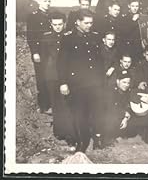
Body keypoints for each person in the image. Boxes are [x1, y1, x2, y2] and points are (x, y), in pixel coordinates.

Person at [57, 9, 105, 152]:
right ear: (77, 22)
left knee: (97, 112)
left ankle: (97, 138)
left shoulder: (95, 36)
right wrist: (63, 82)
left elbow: (99, 61)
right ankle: (82, 141)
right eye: (86, 23)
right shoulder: (68, 38)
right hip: (77, 84)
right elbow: (61, 63)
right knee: (79, 114)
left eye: (91, 23)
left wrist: (101, 80)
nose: (89, 25)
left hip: (95, 83)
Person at [40, 11, 76, 145]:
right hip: (52, 76)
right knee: (56, 105)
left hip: (67, 76)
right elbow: (44, 59)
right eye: (54, 24)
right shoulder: (46, 37)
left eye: (60, 24)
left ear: (64, 23)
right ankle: (59, 132)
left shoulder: (70, 37)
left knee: (67, 104)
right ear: (51, 24)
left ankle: (69, 135)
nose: (57, 27)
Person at [26, 0, 52, 113]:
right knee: (41, 78)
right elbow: (31, 36)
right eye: (45, 1)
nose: (47, 3)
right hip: (40, 52)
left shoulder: (51, 15)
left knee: (51, 77)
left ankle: (52, 103)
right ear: (38, 1)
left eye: (49, 1)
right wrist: (35, 52)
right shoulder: (33, 16)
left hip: (51, 52)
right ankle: (43, 105)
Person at [99, 72, 136, 149]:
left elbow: (128, 105)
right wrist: (124, 114)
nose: (126, 85)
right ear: (117, 81)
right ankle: (105, 139)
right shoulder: (110, 91)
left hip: (118, 114)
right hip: (104, 116)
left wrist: (125, 118)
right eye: (124, 82)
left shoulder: (127, 91)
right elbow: (110, 108)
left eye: (128, 83)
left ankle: (113, 135)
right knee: (111, 117)